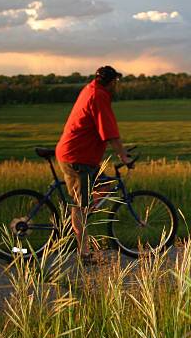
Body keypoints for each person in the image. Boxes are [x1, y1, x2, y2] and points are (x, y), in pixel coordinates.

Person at [55, 65, 134, 262]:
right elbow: (109, 133)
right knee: (80, 206)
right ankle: (84, 253)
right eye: (116, 82)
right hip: (77, 158)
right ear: (112, 82)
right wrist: (124, 156)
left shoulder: (90, 89)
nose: (117, 86)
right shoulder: (99, 96)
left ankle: (78, 219)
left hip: (82, 156)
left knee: (104, 185)